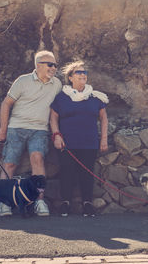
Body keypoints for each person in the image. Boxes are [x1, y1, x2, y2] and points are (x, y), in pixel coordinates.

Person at [0, 50, 62, 216]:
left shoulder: (57, 84)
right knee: (9, 163)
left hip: (40, 129)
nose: (53, 68)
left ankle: (39, 201)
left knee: (37, 159)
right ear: (38, 65)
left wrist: (57, 133)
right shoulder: (22, 81)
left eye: (55, 65)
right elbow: (6, 104)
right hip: (16, 127)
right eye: (50, 64)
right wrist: (3, 131)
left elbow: (58, 111)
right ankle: (4, 203)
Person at [50, 60, 108, 217]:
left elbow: (103, 119)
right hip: (66, 142)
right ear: (70, 77)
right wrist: (56, 135)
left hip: (89, 142)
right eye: (79, 72)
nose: (83, 75)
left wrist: (104, 139)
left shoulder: (95, 97)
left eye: (85, 73)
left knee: (87, 173)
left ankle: (87, 204)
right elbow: (53, 118)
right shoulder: (61, 97)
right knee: (66, 172)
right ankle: (65, 203)